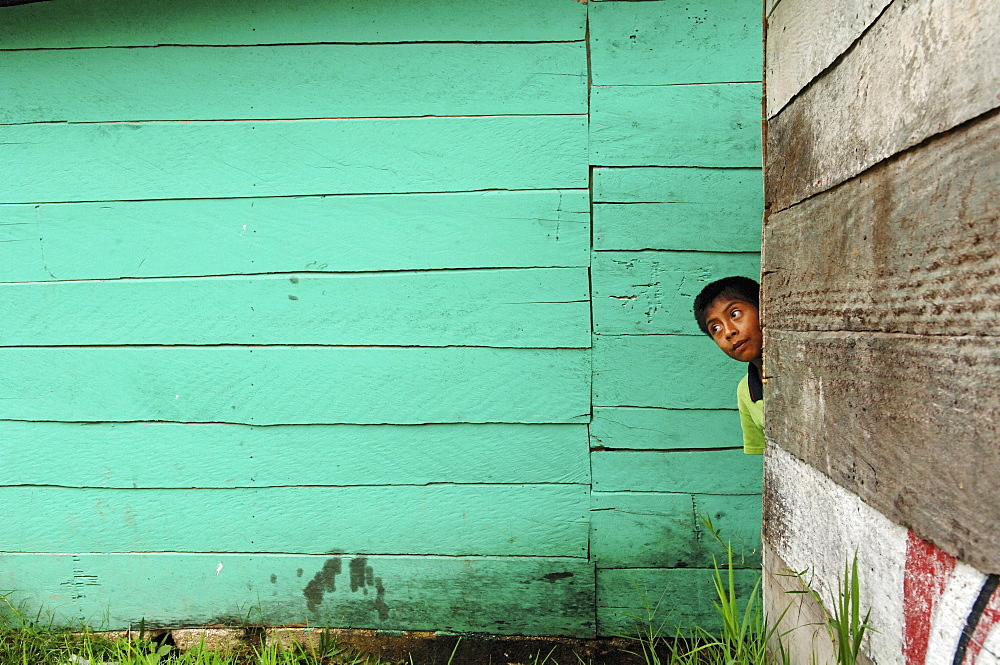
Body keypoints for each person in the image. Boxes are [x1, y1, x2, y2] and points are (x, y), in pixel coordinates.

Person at [692, 276, 764, 454]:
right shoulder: (746, 390)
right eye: (716, 328)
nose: (729, 332)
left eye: (735, 314)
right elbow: (768, 456)